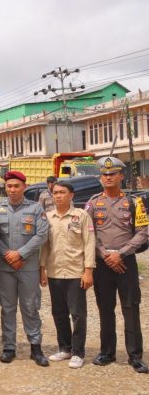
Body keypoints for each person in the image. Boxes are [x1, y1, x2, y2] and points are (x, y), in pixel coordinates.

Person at [86, 157, 149, 373]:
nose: (108, 177)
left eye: (113, 174)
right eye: (104, 174)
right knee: (105, 309)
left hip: (126, 262)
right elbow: (88, 233)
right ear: (100, 177)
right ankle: (106, 352)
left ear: (122, 176)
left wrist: (120, 254)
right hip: (102, 264)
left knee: (131, 308)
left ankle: (135, 356)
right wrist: (105, 254)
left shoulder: (135, 202)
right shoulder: (93, 203)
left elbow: (143, 231)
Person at [0, 171, 50, 366]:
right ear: (5, 187)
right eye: (9, 186)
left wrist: (20, 254)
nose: (12, 190)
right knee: (7, 308)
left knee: (30, 307)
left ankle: (36, 348)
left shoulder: (35, 209)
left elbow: (41, 235)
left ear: (24, 187)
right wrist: (9, 255)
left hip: (28, 267)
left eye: (16, 186)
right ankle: (9, 347)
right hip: (5, 267)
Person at [40, 181, 95, 369]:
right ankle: (65, 348)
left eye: (62, 192)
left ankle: (78, 352)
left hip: (75, 272)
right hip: (55, 272)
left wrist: (88, 271)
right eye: (55, 192)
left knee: (78, 314)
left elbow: (89, 243)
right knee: (59, 313)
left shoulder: (81, 216)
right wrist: (42, 269)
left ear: (71, 195)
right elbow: (45, 246)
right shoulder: (48, 217)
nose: (58, 196)